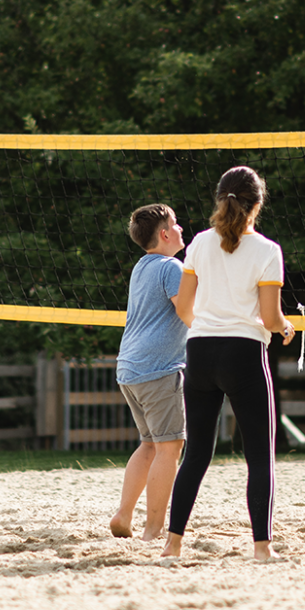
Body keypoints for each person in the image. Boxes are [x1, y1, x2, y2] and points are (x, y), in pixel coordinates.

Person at [163, 166, 295, 562]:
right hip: (243, 353)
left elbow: (184, 306)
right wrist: (286, 327)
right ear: (257, 205)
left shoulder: (200, 243)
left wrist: (207, 327)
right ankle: (261, 549)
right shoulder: (268, 251)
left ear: (220, 199)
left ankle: (172, 545)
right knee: (258, 454)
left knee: (197, 453)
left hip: (200, 350)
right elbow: (271, 319)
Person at [110, 203, 189, 541]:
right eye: (176, 223)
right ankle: (153, 529)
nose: (182, 227)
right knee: (170, 447)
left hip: (128, 367)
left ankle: (123, 515)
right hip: (158, 369)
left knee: (149, 445)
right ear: (165, 233)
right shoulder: (171, 267)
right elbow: (188, 312)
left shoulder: (142, 266)